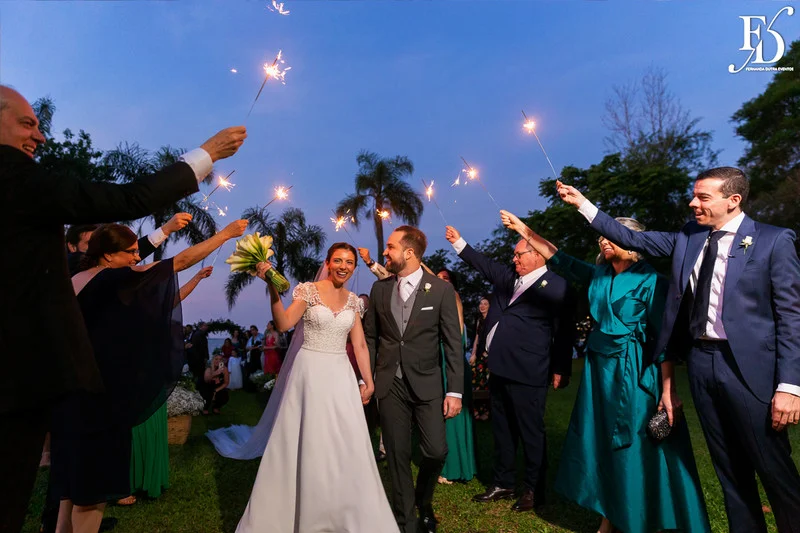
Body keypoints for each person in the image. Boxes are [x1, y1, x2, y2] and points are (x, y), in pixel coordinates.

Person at [0, 84, 246, 533]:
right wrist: (207, 156)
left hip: (60, 397)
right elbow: (132, 206)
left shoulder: (80, 272)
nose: (39, 136)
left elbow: (147, 258)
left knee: (64, 488)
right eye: (27, 123)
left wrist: (168, 230)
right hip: (61, 390)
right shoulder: (16, 178)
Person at [556, 167, 800, 532]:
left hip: (751, 371)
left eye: (703, 197)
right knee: (730, 473)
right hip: (702, 365)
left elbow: (791, 316)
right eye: (694, 195)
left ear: (733, 200)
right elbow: (627, 236)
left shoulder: (773, 240)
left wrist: (790, 386)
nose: (693, 203)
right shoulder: (689, 238)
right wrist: (583, 205)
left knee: (774, 469)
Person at [501, 210, 711, 533]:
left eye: (613, 235)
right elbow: (558, 257)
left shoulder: (652, 280)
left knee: (636, 446)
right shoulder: (597, 276)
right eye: (603, 235)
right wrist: (523, 230)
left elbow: (664, 341)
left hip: (636, 371)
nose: (604, 239)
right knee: (601, 441)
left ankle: (640, 514)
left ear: (634, 243)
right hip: (599, 373)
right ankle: (608, 517)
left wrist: (669, 390)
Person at [52, 219, 246, 533]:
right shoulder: (112, 278)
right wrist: (225, 235)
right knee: (92, 491)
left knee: (69, 485)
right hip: (101, 400)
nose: (135, 257)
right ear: (108, 255)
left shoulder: (76, 280)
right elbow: (179, 261)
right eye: (129, 251)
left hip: (70, 396)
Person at [229, 243, 398, 532]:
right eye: (338, 261)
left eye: (349, 262)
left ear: (354, 267)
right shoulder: (308, 291)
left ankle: (343, 509)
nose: (343, 266)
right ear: (328, 263)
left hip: (341, 377)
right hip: (309, 374)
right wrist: (272, 288)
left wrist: (368, 381)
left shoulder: (354, 301)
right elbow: (283, 323)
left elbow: (358, 344)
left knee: (345, 442)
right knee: (308, 439)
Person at [445, 224, 575, 513]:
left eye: (519, 254)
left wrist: (561, 369)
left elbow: (563, 331)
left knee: (530, 432)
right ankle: (503, 482)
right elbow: (482, 262)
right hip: (499, 369)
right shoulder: (507, 278)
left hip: (530, 369)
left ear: (538, 255)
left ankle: (533, 489)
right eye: (514, 255)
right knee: (501, 429)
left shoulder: (556, 286)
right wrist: (459, 241)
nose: (514, 259)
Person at [363, 227, 464, 533]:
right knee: (397, 453)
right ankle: (407, 521)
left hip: (428, 383)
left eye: (390, 247)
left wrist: (455, 391)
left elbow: (453, 343)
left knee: (436, 451)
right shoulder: (379, 290)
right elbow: (370, 338)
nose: (385, 253)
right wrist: (367, 378)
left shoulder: (442, 291)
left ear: (408, 252)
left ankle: (424, 499)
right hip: (389, 383)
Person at [119, 265, 214, 507]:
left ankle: (147, 480)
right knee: (132, 428)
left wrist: (198, 277)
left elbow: (177, 296)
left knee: (151, 424)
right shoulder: (120, 308)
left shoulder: (152, 310)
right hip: (130, 374)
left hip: (152, 374)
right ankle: (123, 484)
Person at [435, 268, 476, 486]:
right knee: (446, 414)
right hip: (442, 361)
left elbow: (457, 339)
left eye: (445, 279)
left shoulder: (454, 297)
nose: (441, 283)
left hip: (451, 362)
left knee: (453, 414)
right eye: (438, 280)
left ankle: (453, 468)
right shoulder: (441, 302)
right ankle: (459, 464)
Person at [65, 212, 192, 276]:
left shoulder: (106, 272)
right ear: (72, 246)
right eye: (89, 243)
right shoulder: (71, 265)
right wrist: (166, 229)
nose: (95, 248)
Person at [471, 297, 491, 421]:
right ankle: (477, 411)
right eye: (481, 303)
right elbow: (477, 338)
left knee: (488, 384)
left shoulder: (492, 320)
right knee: (476, 383)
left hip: (489, 356)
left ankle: (487, 412)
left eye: (485, 304)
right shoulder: (479, 320)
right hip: (479, 356)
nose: (482, 306)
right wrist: (473, 354)